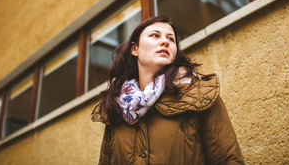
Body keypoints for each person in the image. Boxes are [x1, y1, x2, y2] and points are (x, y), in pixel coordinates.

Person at [91, 16, 244, 164]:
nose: (165, 41)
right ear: (135, 49)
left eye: (171, 39)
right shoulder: (117, 107)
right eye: (155, 35)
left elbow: (228, 160)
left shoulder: (199, 94)